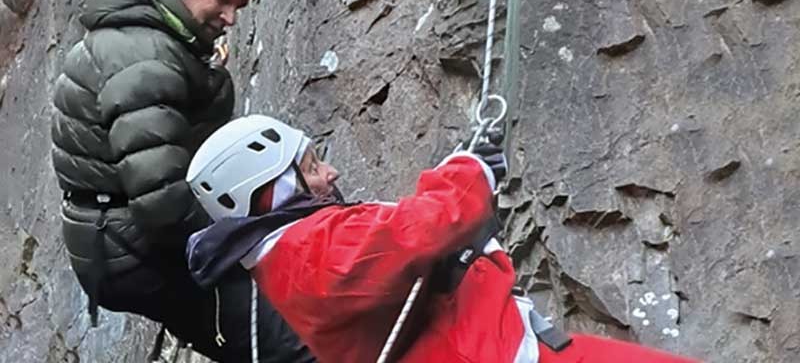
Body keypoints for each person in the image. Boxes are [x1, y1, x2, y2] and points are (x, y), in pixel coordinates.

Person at [185, 114, 702, 363]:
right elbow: (421, 229)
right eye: (313, 166)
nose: (330, 172)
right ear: (269, 188)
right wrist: (467, 169)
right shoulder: (309, 253)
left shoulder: (298, 253)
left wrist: (465, 167)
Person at [50, 0, 315, 361]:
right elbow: (160, 199)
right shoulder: (143, 55)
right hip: (132, 247)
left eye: (239, 4)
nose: (230, 17)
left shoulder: (158, 38)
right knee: (291, 340)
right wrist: (238, 249)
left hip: (117, 236)